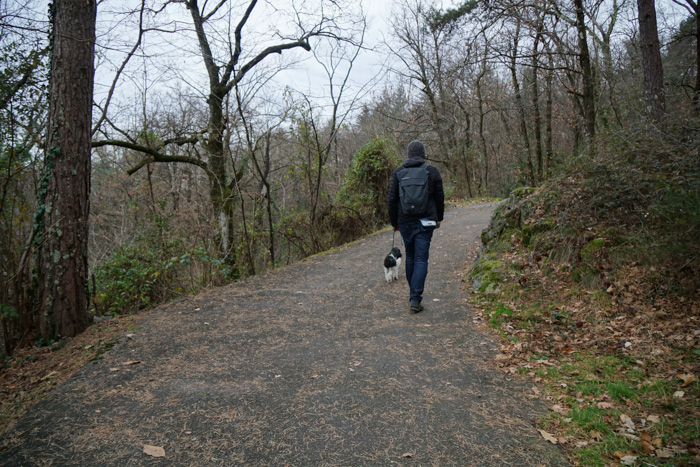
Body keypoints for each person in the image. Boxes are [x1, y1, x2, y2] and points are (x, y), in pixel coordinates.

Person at [387, 140, 445, 313]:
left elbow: (392, 200)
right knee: (421, 259)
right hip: (426, 221)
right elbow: (440, 197)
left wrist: (394, 222)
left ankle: (413, 296)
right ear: (423, 153)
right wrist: (439, 218)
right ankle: (415, 298)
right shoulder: (431, 171)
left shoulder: (398, 172)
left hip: (405, 221)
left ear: (409, 153)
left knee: (411, 257)